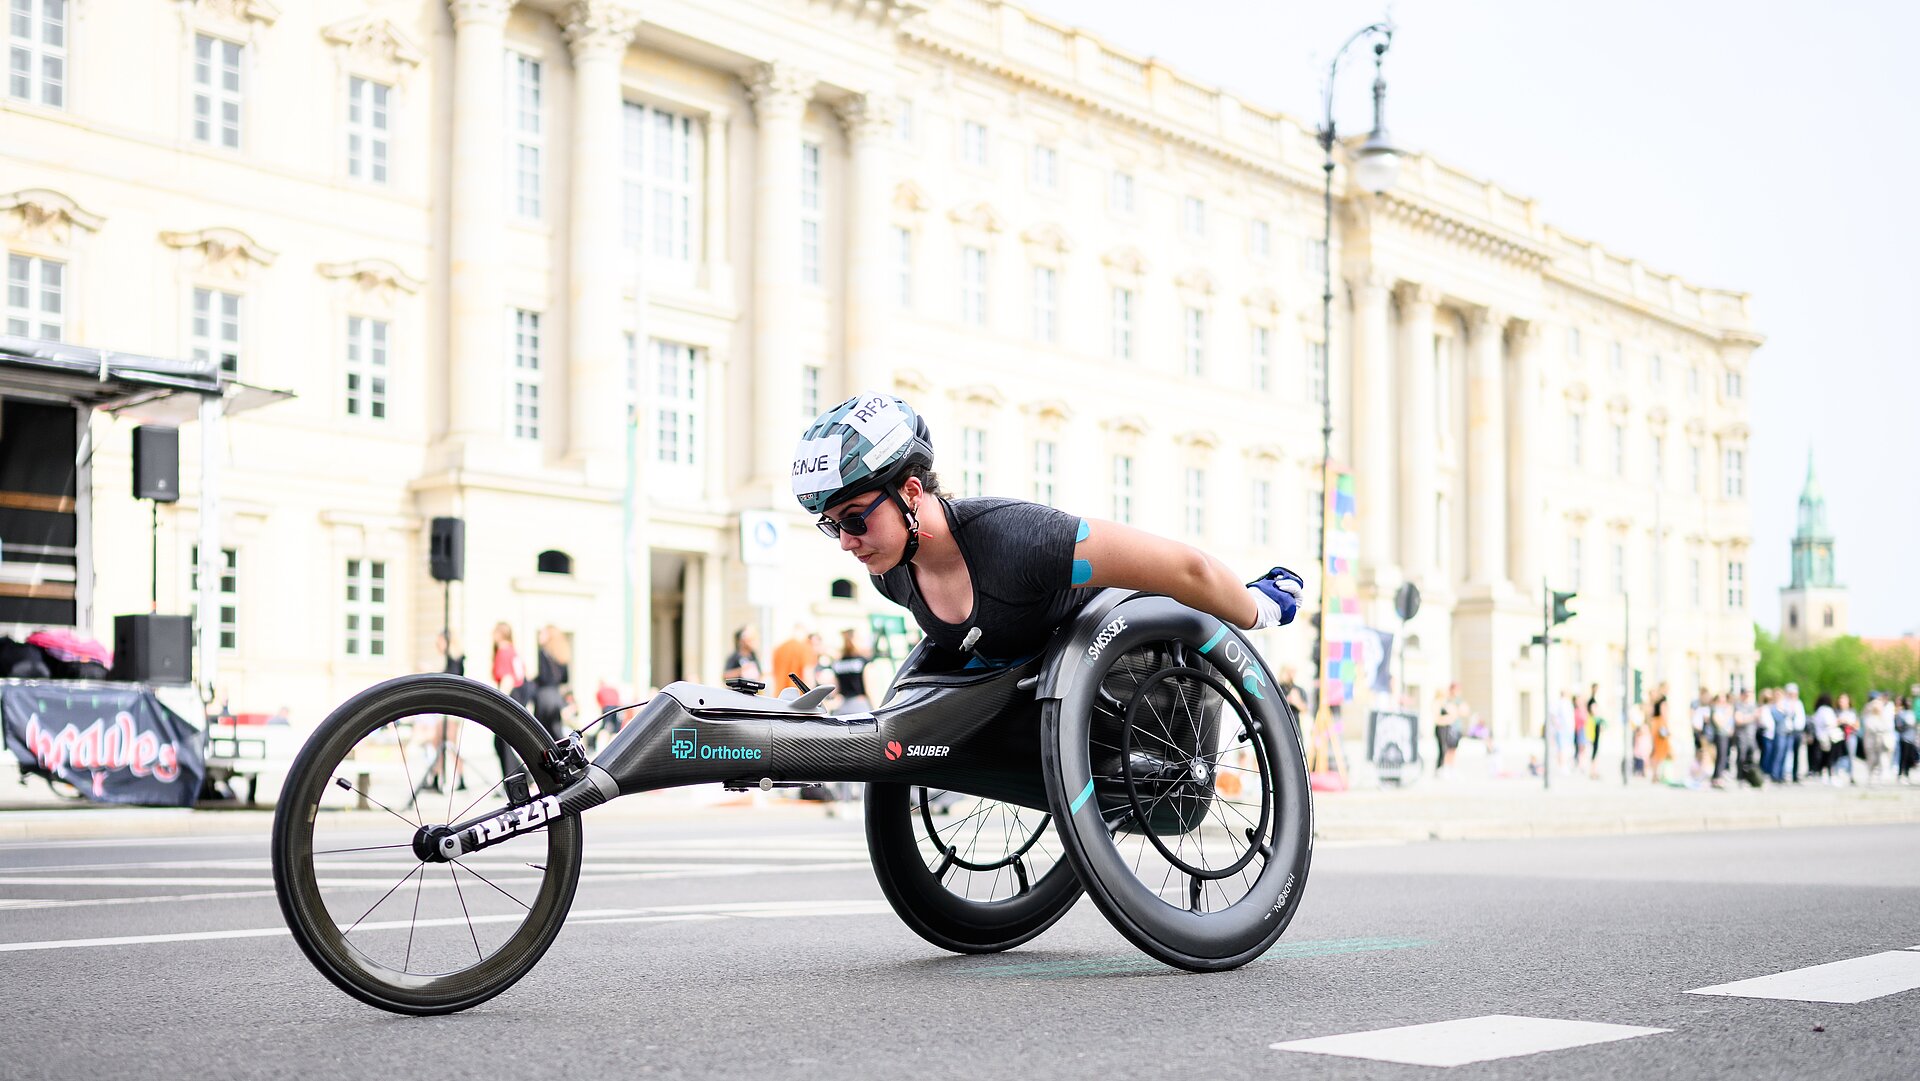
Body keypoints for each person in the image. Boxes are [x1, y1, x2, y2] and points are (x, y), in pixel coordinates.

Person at [791, 391, 1303, 698]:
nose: (846, 543)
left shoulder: (1021, 540)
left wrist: (1257, 607)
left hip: (1141, 691)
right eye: (833, 526)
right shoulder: (891, 576)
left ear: (910, 491)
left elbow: (1186, 568)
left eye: (855, 519)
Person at [531, 624, 572, 740]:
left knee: (540, 732)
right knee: (555, 731)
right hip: (556, 695)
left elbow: (544, 677)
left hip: (544, 696)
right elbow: (565, 679)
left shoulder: (543, 653)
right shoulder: (561, 654)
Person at [831, 629, 873, 714]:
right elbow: (870, 689)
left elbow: (836, 688)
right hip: (860, 705)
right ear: (854, 640)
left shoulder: (837, 663)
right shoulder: (863, 661)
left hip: (842, 706)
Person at [1647, 684, 1671, 783]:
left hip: (1654, 725)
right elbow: (1664, 714)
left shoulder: (1655, 700)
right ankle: (1657, 774)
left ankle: (1655, 774)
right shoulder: (1663, 700)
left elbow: (1650, 714)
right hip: (1660, 725)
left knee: (1655, 750)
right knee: (1660, 751)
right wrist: (1667, 728)